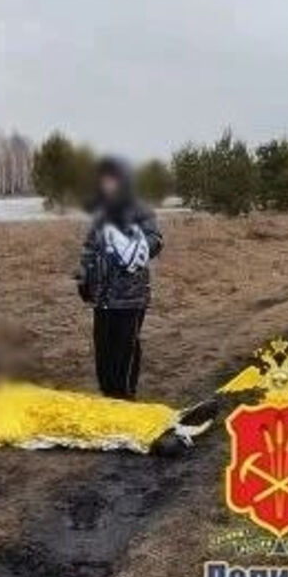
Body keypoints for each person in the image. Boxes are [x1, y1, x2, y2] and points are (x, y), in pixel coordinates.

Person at [77, 155, 163, 399]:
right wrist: (84, 277)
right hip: (102, 297)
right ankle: (107, 394)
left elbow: (156, 239)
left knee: (125, 350)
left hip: (130, 297)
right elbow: (89, 247)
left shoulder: (140, 209)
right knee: (104, 352)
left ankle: (125, 396)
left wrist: (140, 248)